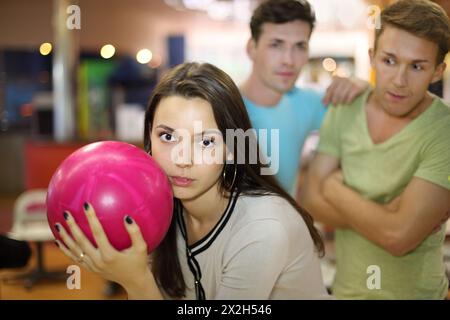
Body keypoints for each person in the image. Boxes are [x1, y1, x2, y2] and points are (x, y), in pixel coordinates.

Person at [54, 62, 330, 300]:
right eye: (167, 136)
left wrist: (135, 279)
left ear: (233, 147)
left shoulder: (263, 229)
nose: (182, 159)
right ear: (149, 137)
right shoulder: (161, 211)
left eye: (206, 141)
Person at [300, 0, 450, 299]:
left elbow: (397, 237)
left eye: (417, 66)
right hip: (346, 293)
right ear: (372, 57)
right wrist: (388, 214)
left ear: (437, 71)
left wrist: (334, 186)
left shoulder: (444, 131)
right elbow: (311, 200)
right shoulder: (345, 108)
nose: (399, 80)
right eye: (389, 60)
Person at [241, 0, 369, 196]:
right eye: (276, 45)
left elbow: (372, 108)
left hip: (287, 224)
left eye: (300, 46)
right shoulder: (221, 106)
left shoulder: (306, 103)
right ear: (252, 48)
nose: (289, 60)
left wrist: (361, 85)